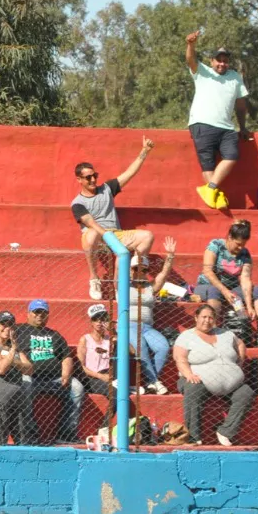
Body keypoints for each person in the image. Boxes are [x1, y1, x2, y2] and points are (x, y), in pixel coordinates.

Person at [71, 137, 156, 300]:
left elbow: (129, 173)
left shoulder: (107, 189)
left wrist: (145, 151)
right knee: (92, 233)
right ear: (79, 180)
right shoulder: (77, 203)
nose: (93, 180)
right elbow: (90, 223)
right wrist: (108, 237)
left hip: (117, 234)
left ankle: (121, 283)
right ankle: (94, 278)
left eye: (94, 175)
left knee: (147, 236)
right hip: (97, 237)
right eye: (88, 177)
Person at [183, 31, 251, 209]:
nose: (222, 63)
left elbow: (241, 105)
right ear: (212, 61)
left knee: (232, 156)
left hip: (227, 127)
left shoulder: (235, 77)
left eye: (225, 60)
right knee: (208, 165)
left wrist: (243, 127)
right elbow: (190, 59)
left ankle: (210, 188)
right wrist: (190, 44)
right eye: (218, 60)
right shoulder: (203, 71)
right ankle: (217, 196)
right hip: (202, 124)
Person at [172, 304, 256, 446]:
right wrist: (189, 374)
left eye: (211, 318)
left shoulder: (226, 334)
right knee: (193, 388)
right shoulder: (186, 336)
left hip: (232, 384)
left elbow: (240, 344)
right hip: (198, 380)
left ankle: (226, 432)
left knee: (246, 393)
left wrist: (239, 362)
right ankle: (193, 437)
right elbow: (180, 358)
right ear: (196, 318)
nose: (207, 320)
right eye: (203, 317)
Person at [191, 220, 258, 348]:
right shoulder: (216, 245)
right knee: (214, 291)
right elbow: (207, 271)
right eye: (238, 244)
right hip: (207, 285)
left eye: (243, 245)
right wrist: (224, 291)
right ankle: (213, 334)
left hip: (232, 288)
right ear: (230, 237)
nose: (240, 248)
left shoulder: (245, 253)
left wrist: (249, 305)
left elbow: (245, 279)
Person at [15, 300, 84, 445]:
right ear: (28, 314)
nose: (40, 315)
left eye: (43, 313)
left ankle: (66, 433)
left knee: (77, 387)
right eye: (36, 312)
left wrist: (66, 373)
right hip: (31, 377)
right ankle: (29, 434)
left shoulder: (54, 335)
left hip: (55, 379)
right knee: (25, 383)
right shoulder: (19, 330)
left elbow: (66, 356)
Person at [129, 236, 177, 394]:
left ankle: (151, 382)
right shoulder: (123, 285)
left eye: (144, 269)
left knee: (163, 347)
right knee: (141, 347)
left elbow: (164, 273)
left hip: (147, 327)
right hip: (129, 325)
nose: (140, 272)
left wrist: (170, 256)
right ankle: (155, 381)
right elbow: (117, 271)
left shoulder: (151, 287)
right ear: (131, 270)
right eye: (136, 268)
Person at [0, 311, 31, 446]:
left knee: (23, 440)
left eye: (10, 325)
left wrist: (13, 359)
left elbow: (29, 369)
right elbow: (1, 368)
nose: (7, 328)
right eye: (3, 324)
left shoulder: (14, 347)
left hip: (17, 402)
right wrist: (13, 352)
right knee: (0, 439)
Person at [77, 304, 116, 398]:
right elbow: (80, 366)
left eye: (102, 319)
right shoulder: (85, 339)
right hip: (92, 378)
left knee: (120, 391)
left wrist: (113, 332)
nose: (99, 321)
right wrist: (100, 376)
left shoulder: (110, 339)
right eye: (95, 319)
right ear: (91, 322)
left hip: (109, 375)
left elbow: (132, 351)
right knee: (115, 392)